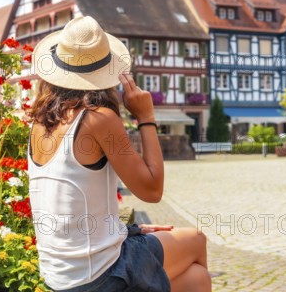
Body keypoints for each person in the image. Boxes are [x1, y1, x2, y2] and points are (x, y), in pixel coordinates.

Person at [28, 16, 211, 292]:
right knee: (196, 239)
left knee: (198, 279)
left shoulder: (40, 123)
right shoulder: (97, 118)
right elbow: (152, 190)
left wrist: (126, 231)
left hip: (62, 276)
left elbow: (74, 203)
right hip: (100, 275)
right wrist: (146, 117)